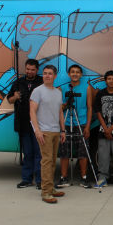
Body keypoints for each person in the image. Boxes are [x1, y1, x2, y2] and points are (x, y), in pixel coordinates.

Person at [30, 65, 66, 204]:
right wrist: (37, 130)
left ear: (55, 76)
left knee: (51, 162)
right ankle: (45, 192)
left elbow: (60, 112)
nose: (47, 76)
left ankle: (51, 189)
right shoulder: (37, 91)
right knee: (46, 161)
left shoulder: (58, 92)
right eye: (45, 73)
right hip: (44, 131)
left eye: (50, 73)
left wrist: (62, 130)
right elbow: (32, 111)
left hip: (56, 131)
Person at [7, 58, 43, 189]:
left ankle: (40, 180)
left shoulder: (41, 81)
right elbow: (10, 100)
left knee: (39, 153)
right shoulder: (18, 82)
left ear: (37, 70)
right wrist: (15, 97)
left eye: (32, 70)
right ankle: (27, 179)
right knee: (27, 153)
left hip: (38, 124)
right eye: (28, 69)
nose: (30, 71)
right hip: (22, 123)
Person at [57, 64, 92, 189]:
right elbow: (59, 108)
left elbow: (89, 107)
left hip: (81, 122)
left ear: (81, 74)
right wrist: (66, 104)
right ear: (68, 74)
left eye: (77, 72)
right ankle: (63, 177)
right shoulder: (62, 88)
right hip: (66, 123)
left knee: (83, 151)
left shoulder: (87, 87)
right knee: (64, 151)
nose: (75, 74)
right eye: (72, 72)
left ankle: (84, 177)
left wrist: (87, 126)